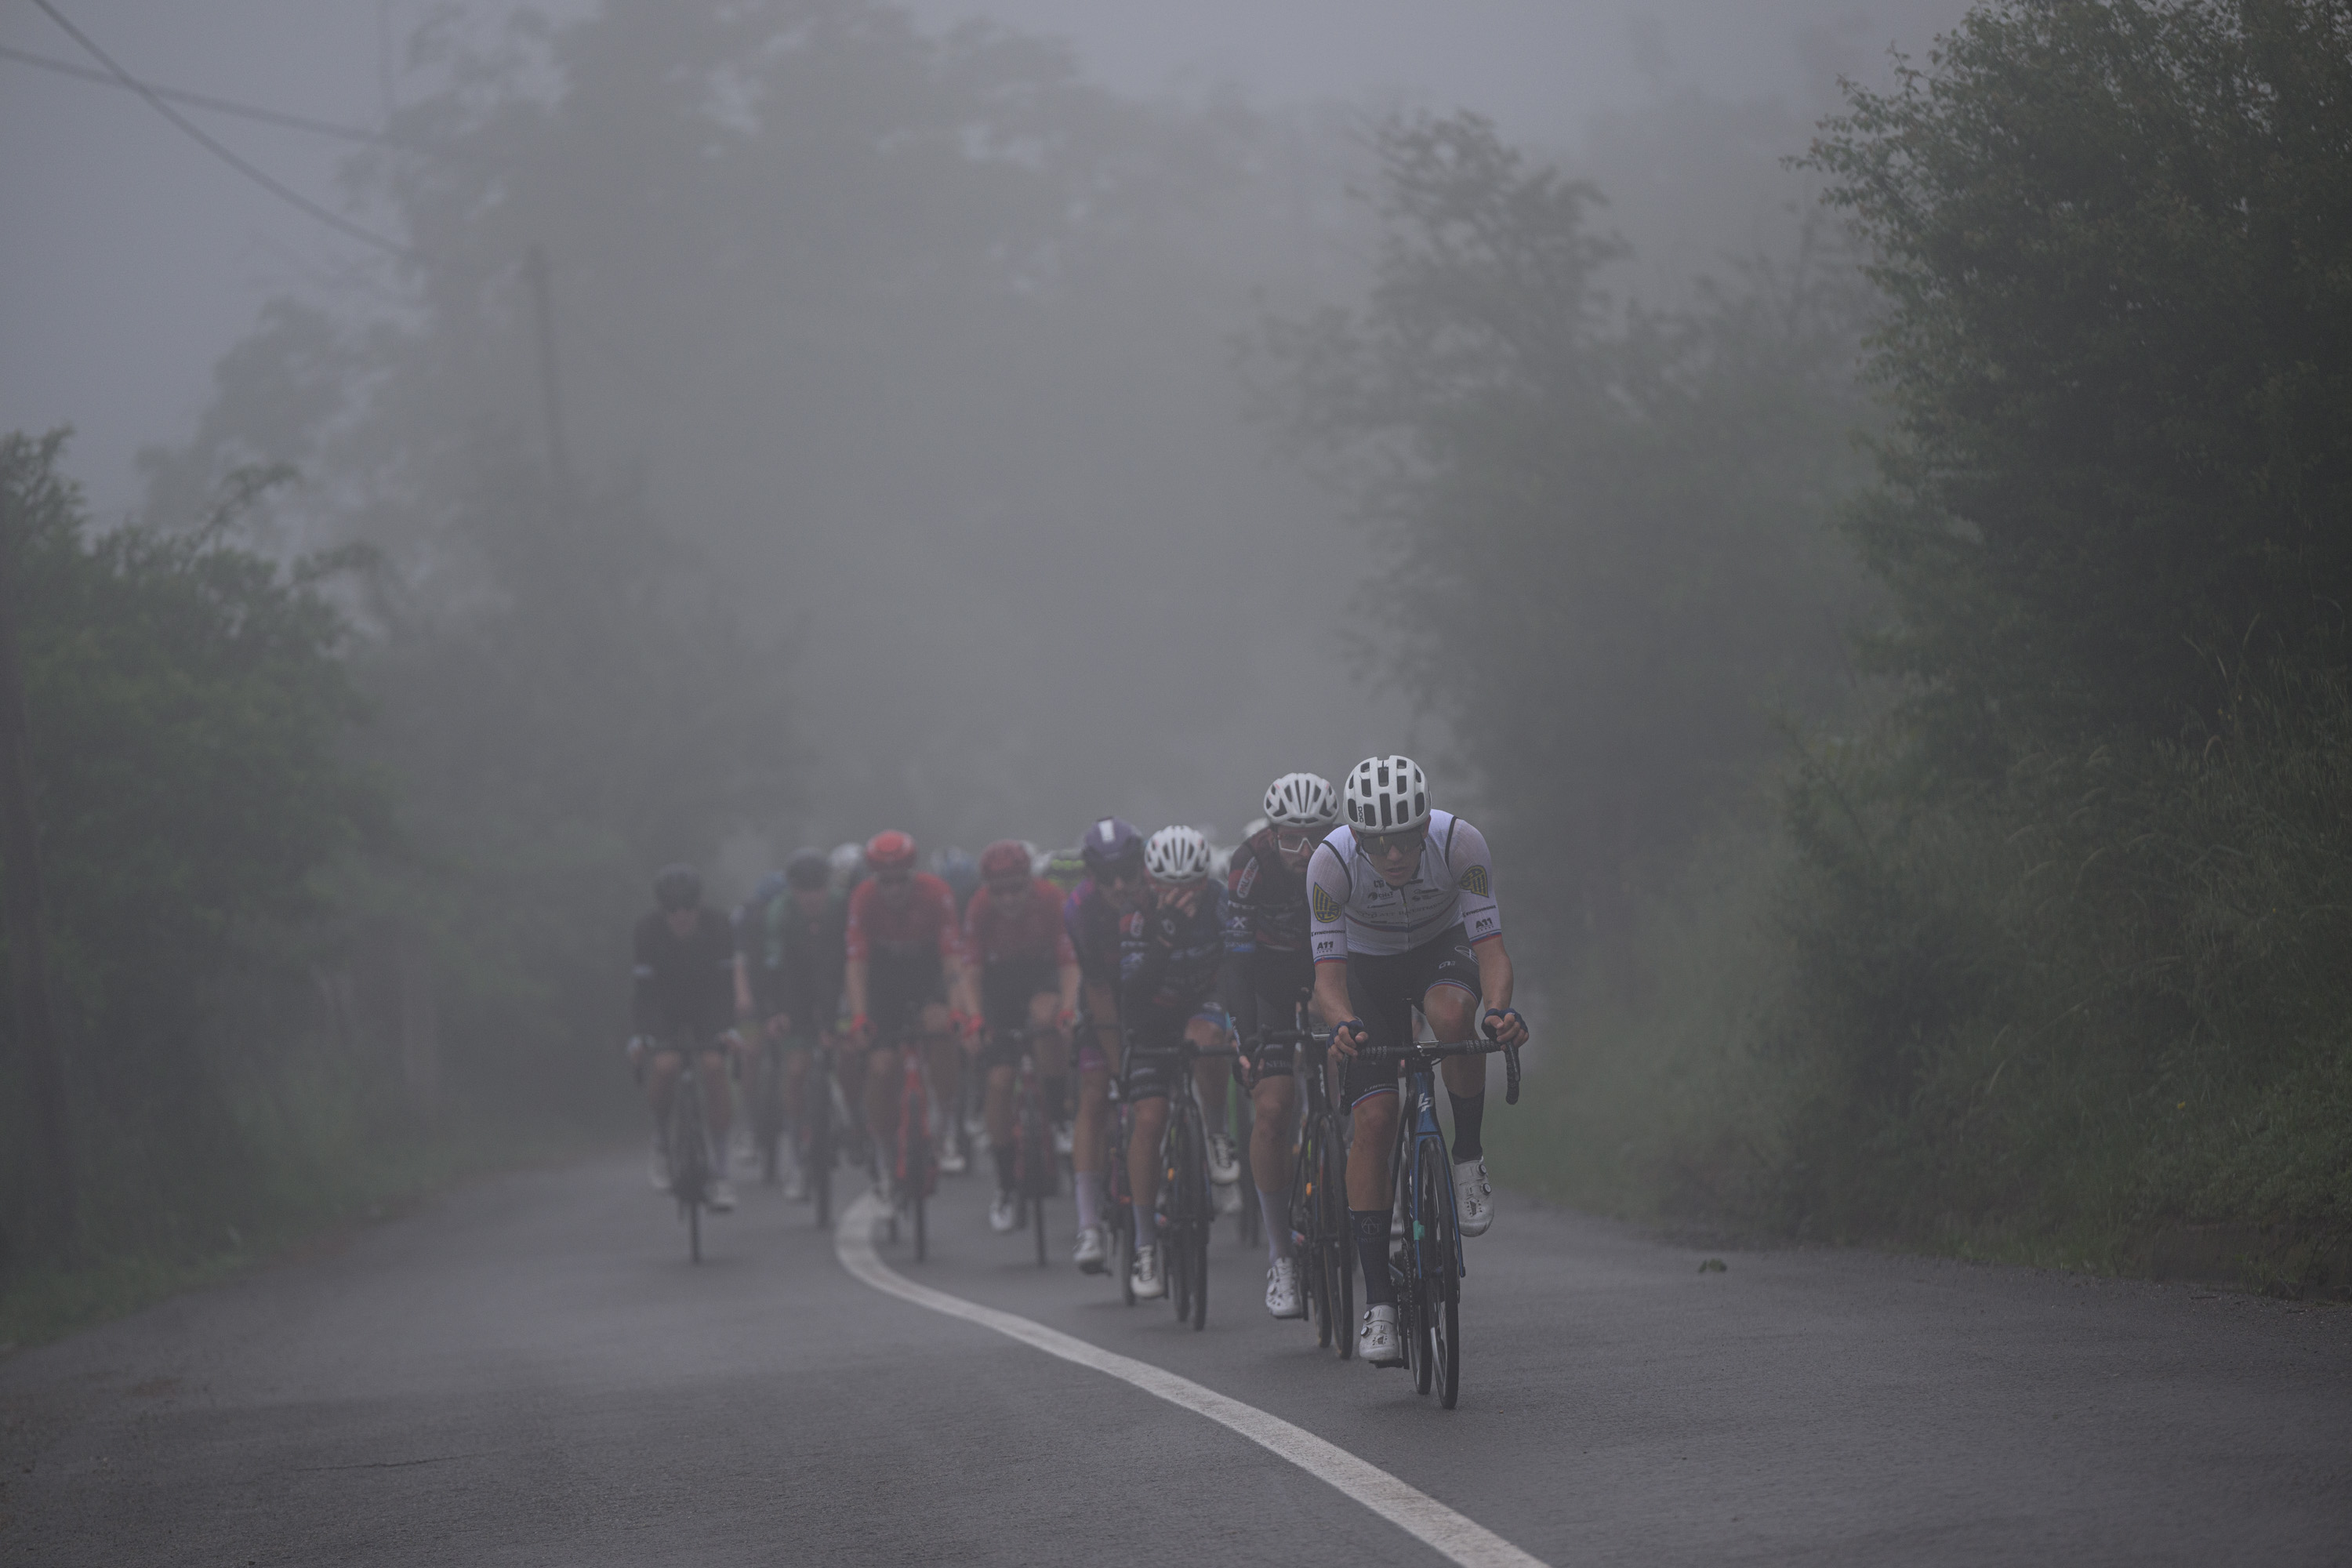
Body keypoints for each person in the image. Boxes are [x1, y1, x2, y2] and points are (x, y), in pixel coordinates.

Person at [1309, 755, 1529, 1366]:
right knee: (1375, 1122)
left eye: (1405, 838)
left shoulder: (1461, 844)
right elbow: (1327, 978)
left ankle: (1466, 1155)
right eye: (1377, 844)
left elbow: (1490, 949)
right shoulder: (1328, 863)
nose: (1395, 855)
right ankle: (1379, 1303)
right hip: (1366, 970)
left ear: (1424, 825)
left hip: (1440, 946)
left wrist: (1499, 1012)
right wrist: (1342, 1022)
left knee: (1455, 1019)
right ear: (1355, 836)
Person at [1224, 771, 1341, 1319]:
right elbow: (1237, 961)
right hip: (1267, 980)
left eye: (1315, 835)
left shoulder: (1345, 854)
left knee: (1362, 1074)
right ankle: (1281, 1257)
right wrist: (1247, 1038)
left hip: (1329, 972)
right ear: (1272, 834)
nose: (1305, 850)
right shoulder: (1249, 863)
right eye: (1291, 837)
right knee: (1271, 1111)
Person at [1119, 825, 1230, 1300]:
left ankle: (1217, 1133)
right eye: (1169, 885)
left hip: (1200, 1004)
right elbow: (1132, 993)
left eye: (1192, 885)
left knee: (1205, 1036)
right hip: (1149, 1019)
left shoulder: (1221, 903)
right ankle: (1144, 1243)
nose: (1181, 895)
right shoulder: (1134, 916)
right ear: (1150, 880)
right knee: (1149, 1119)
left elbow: (1238, 963)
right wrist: (1164, 941)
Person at [844, 829, 977, 1192]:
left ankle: (947, 1126)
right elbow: (857, 966)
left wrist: (959, 1011)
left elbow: (953, 960)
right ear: (875, 880)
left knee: (941, 1027)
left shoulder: (936, 894)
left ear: (912, 876)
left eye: (900, 881)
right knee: (882, 1068)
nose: (894, 890)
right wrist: (858, 1017)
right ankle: (886, 1155)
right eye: (885, 882)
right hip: (883, 987)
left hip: (927, 978)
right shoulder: (864, 899)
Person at [965, 839, 1080, 1232]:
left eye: (1017, 888)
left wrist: (1068, 1008)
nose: (1009, 898)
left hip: (1041, 975)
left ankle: (1060, 1115)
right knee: (999, 1083)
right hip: (1000, 987)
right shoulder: (979, 908)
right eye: (1000, 891)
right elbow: (972, 973)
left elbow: (1069, 963)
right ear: (988, 889)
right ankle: (1005, 1185)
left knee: (1045, 1017)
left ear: (1030, 882)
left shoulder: (1052, 900)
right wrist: (976, 1019)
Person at [629, 863, 741, 1212]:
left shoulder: (720, 926)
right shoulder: (646, 932)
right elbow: (643, 993)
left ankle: (721, 1173)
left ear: (699, 905)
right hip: (663, 1007)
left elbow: (725, 989)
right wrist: (642, 1037)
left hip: (708, 1005)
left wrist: (728, 1029)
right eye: (672, 910)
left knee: (713, 1066)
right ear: (662, 911)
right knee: (665, 1065)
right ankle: (662, 1141)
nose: (681, 916)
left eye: (688, 908)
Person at [740, 848, 851, 1197]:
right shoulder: (778, 914)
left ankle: (856, 1118)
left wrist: (852, 1011)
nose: (812, 896)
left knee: (851, 1054)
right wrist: (774, 1013)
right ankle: (800, 1155)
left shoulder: (844, 907)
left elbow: (857, 962)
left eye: (818, 887)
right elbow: (772, 970)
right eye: (803, 889)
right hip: (795, 991)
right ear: (792, 889)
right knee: (797, 1070)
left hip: (838, 984)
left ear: (828, 885)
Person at [1065, 816, 1145, 1273]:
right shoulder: (1078, 909)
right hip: (1103, 998)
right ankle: (1088, 1225)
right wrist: (1120, 1071)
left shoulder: (1156, 892)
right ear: (1090, 877)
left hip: (1152, 994)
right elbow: (1096, 991)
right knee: (1096, 1095)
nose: (1118, 885)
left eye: (1127, 874)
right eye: (1106, 877)